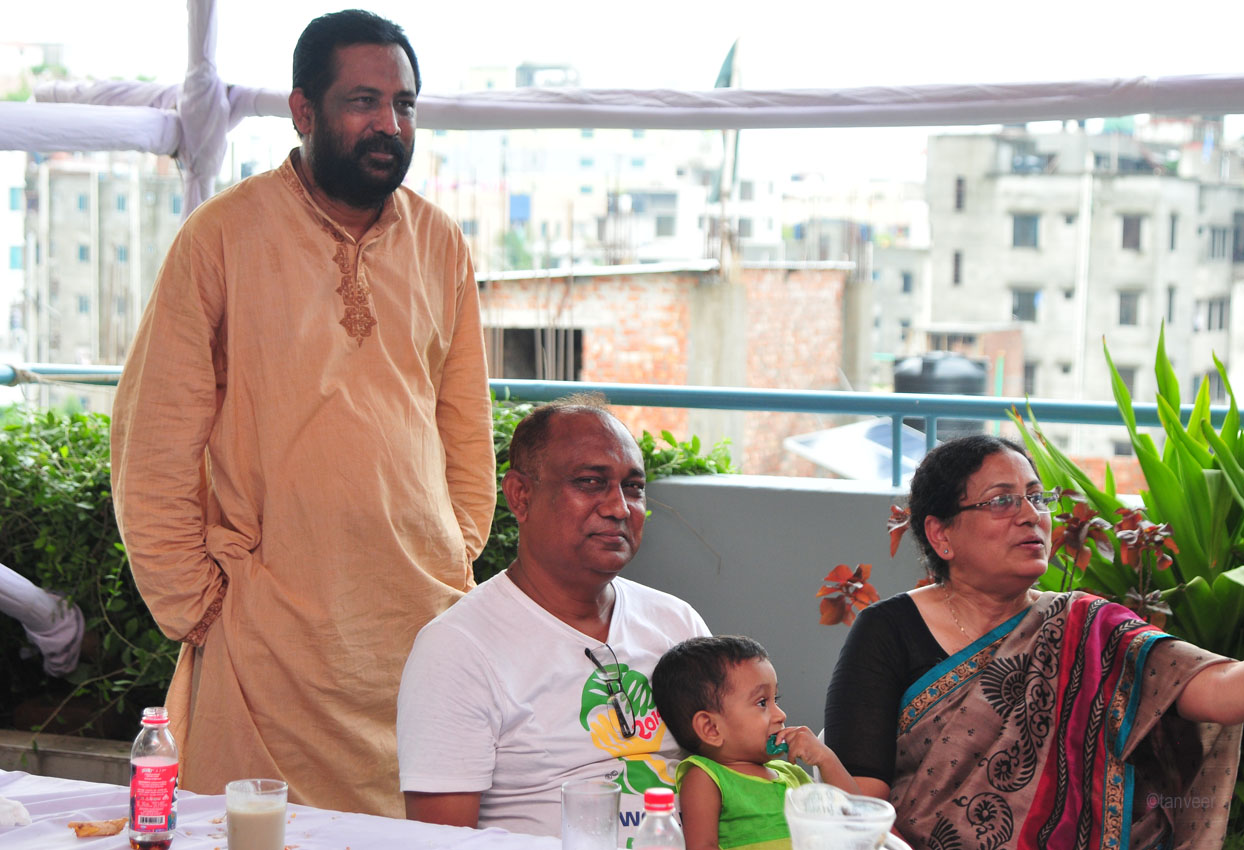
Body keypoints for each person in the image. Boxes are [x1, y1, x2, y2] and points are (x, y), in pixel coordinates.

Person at [110, 9, 495, 817]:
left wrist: (451, 554)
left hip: (418, 627)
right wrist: (200, 607)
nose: (389, 124)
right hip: (269, 643)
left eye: (404, 104)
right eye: (364, 101)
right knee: (259, 831)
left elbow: (464, 427)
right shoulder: (222, 237)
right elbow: (155, 440)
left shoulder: (440, 243)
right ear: (303, 110)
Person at [824, 434, 1244, 849]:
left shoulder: (1088, 627)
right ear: (941, 535)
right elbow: (859, 808)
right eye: (1002, 501)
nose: (1031, 515)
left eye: (1037, 497)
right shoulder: (888, 631)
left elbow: (1221, 688)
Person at [397, 395, 710, 844]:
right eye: (590, 482)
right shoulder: (457, 650)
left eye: (633, 487)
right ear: (520, 496)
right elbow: (440, 842)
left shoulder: (676, 623)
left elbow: (736, 773)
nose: (619, 508)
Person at [652, 635, 859, 850]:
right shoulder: (706, 777)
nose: (781, 715)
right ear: (711, 728)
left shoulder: (792, 774)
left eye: (775, 699)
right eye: (762, 702)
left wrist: (826, 759)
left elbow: (857, 821)